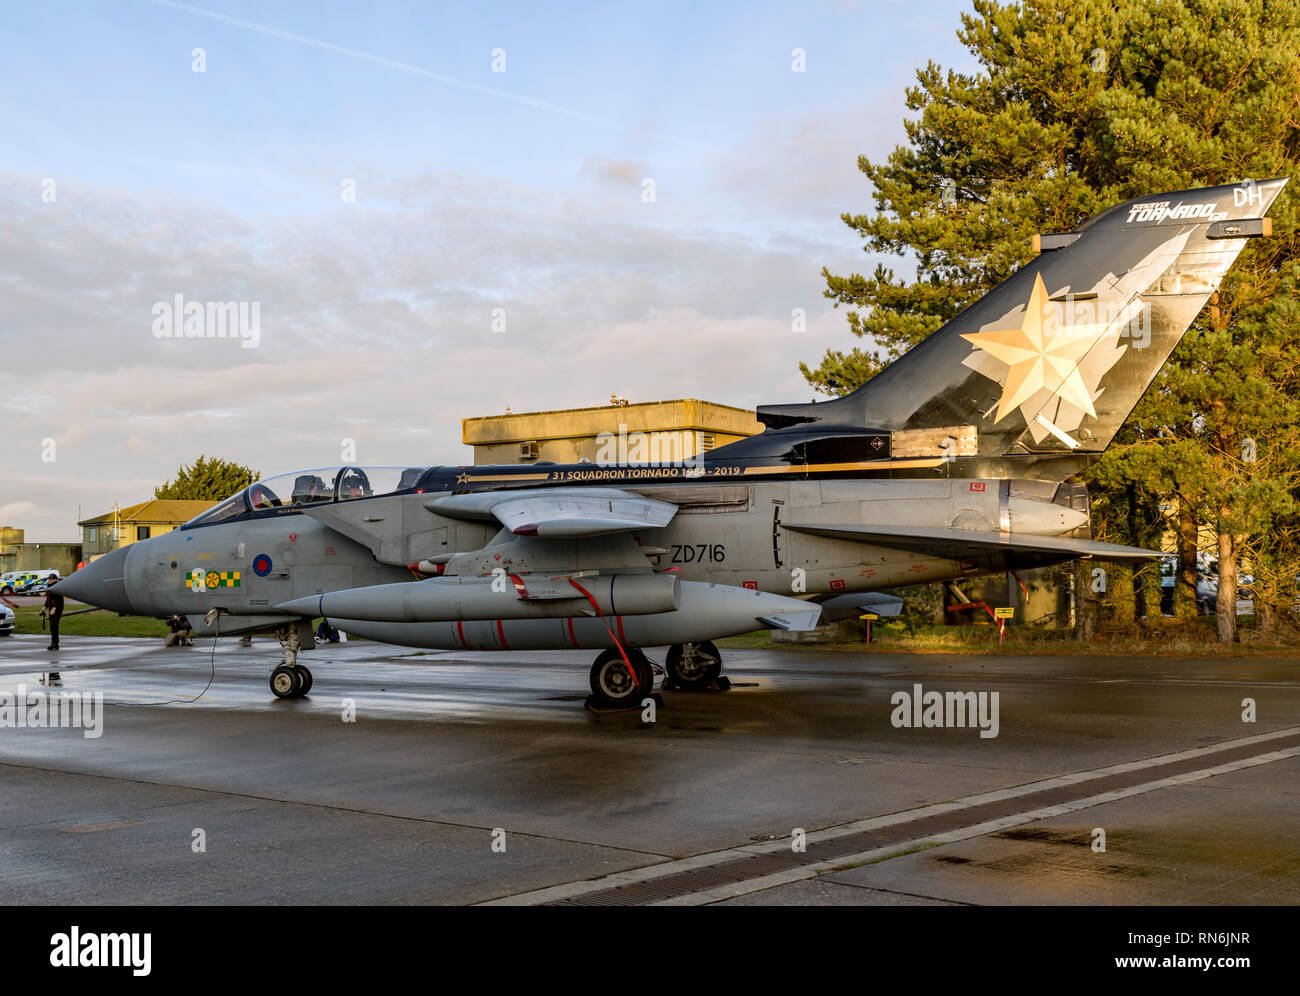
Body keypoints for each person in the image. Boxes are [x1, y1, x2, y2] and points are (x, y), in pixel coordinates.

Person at [43, 585, 64, 652]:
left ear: (54, 579)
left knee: (54, 626)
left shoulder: (57, 587)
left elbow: (59, 600)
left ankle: (55, 643)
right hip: (51, 609)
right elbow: (48, 599)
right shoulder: (50, 587)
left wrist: (54, 608)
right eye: (49, 579)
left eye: (51, 579)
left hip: (56, 609)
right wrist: (44, 607)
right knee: (52, 626)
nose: (49, 580)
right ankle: (54, 643)